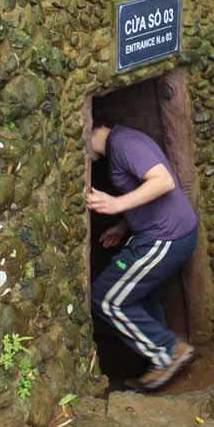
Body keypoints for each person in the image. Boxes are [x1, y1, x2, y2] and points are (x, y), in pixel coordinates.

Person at [87, 122, 199, 390]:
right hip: (167, 234)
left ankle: (169, 352)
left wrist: (116, 204)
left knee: (106, 299)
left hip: (164, 238)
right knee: (143, 297)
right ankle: (159, 362)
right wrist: (124, 225)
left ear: (89, 128)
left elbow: (163, 181)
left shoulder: (125, 143)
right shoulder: (122, 143)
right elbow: (143, 190)